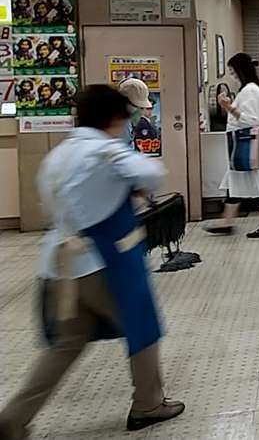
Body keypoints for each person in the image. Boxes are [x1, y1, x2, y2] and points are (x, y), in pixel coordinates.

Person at [0, 85, 184, 439]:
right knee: (142, 327)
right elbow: (152, 174)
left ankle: (13, 418)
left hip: (58, 267)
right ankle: (148, 403)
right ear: (116, 117)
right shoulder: (106, 152)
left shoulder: (59, 154)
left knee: (67, 343)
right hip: (104, 266)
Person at [204, 53, 259, 239]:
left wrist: (228, 107)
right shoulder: (252, 89)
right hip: (248, 145)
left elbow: (250, 119)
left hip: (248, 145)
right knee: (235, 183)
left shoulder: (250, 91)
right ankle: (227, 223)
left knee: (257, 185)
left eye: (232, 71)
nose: (232, 75)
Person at [118, 78, 155, 149]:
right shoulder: (119, 124)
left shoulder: (129, 123)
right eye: (136, 106)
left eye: (141, 108)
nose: (140, 112)